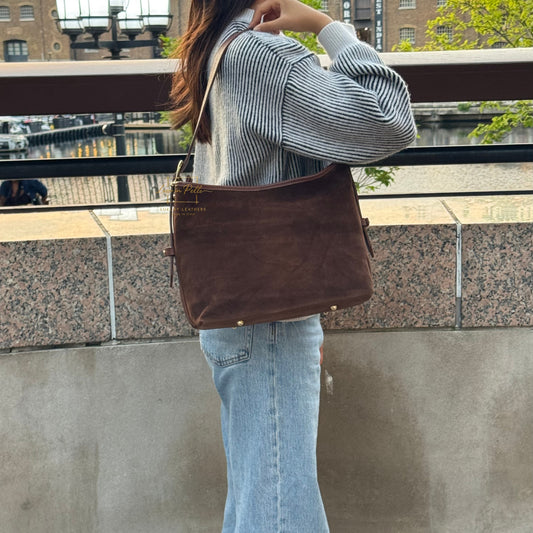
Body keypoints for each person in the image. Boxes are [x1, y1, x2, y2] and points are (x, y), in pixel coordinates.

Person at [170, 1, 416, 531]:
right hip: (271, 314)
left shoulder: (217, 46)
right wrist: (328, 28)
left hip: (244, 306)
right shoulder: (263, 56)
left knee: (260, 492)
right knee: (279, 503)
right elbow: (389, 122)